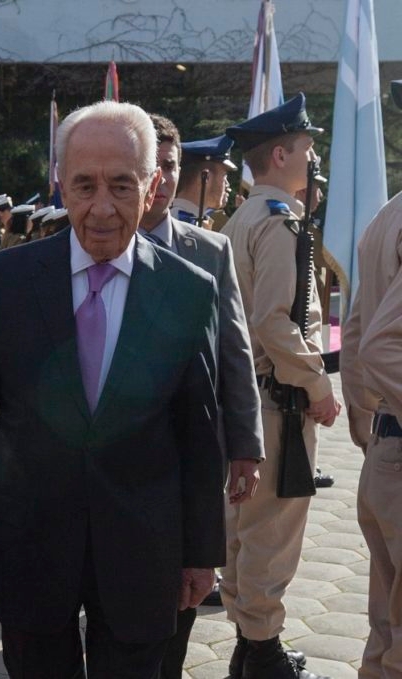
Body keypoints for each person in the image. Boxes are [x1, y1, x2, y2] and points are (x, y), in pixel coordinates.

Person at [0, 100, 225, 678]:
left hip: (144, 549)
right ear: (59, 185)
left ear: (152, 185)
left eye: (121, 185)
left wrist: (202, 553)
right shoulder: (3, 283)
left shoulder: (189, 289)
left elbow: (199, 430)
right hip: (28, 543)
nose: (100, 208)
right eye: (83, 185)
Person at [141, 115, 266, 679]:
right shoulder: (92, 243)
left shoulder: (210, 250)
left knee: (185, 590)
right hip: (112, 456)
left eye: (170, 167)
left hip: (193, 456)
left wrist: (246, 445)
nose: (163, 179)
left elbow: (236, 353)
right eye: (154, 167)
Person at [221, 93, 339, 679]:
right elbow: (274, 321)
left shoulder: (245, 215)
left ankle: (249, 643)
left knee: (247, 528)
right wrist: (317, 384)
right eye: (307, 147)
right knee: (273, 528)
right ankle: (264, 653)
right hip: (277, 403)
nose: (314, 156)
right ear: (279, 152)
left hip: (253, 399)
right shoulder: (277, 222)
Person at [340, 77, 402, 679]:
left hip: (388, 450)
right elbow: (381, 342)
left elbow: (356, 336)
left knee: (386, 636)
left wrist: (370, 427)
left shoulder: (389, 212)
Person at [170, 134, 236, 229]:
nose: (227, 184)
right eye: (224, 176)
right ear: (205, 178)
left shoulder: (189, 220)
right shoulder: (185, 224)